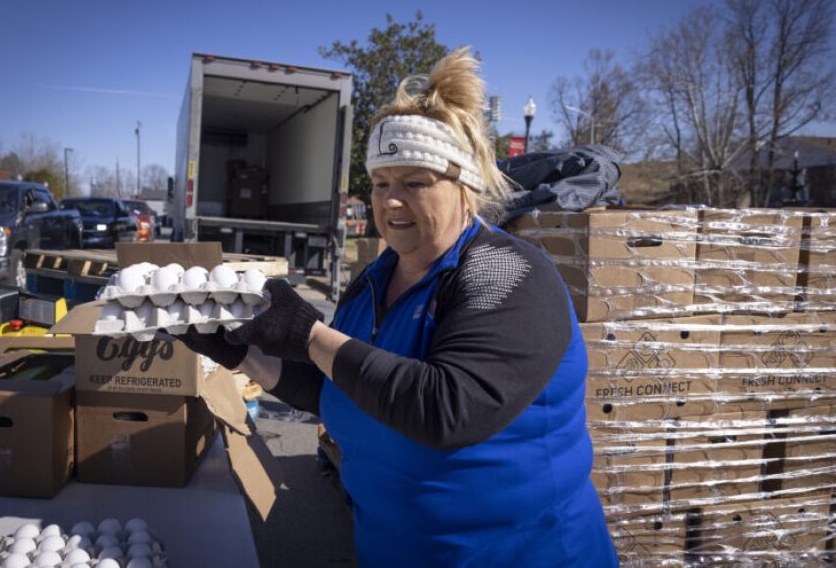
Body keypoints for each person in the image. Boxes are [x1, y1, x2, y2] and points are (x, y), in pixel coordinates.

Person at [180, 47, 618, 567]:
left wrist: (307, 334)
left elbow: (448, 409)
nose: (390, 202)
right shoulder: (374, 280)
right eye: (381, 184)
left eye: (414, 183)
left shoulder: (508, 273)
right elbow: (342, 386)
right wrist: (242, 355)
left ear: (465, 188)